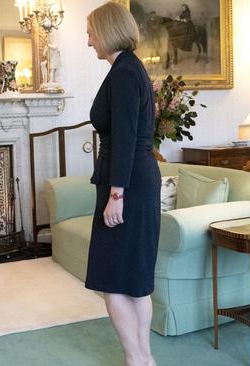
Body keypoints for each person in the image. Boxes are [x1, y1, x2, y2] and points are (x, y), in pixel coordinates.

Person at [85, 3, 160, 366]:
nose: (88, 41)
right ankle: (143, 358)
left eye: (91, 33)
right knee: (132, 276)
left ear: (107, 31)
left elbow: (127, 137)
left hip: (126, 184)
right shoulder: (130, 69)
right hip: (133, 180)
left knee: (114, 278)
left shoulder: (124, 73)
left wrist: (117, 194)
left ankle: (137, 359)